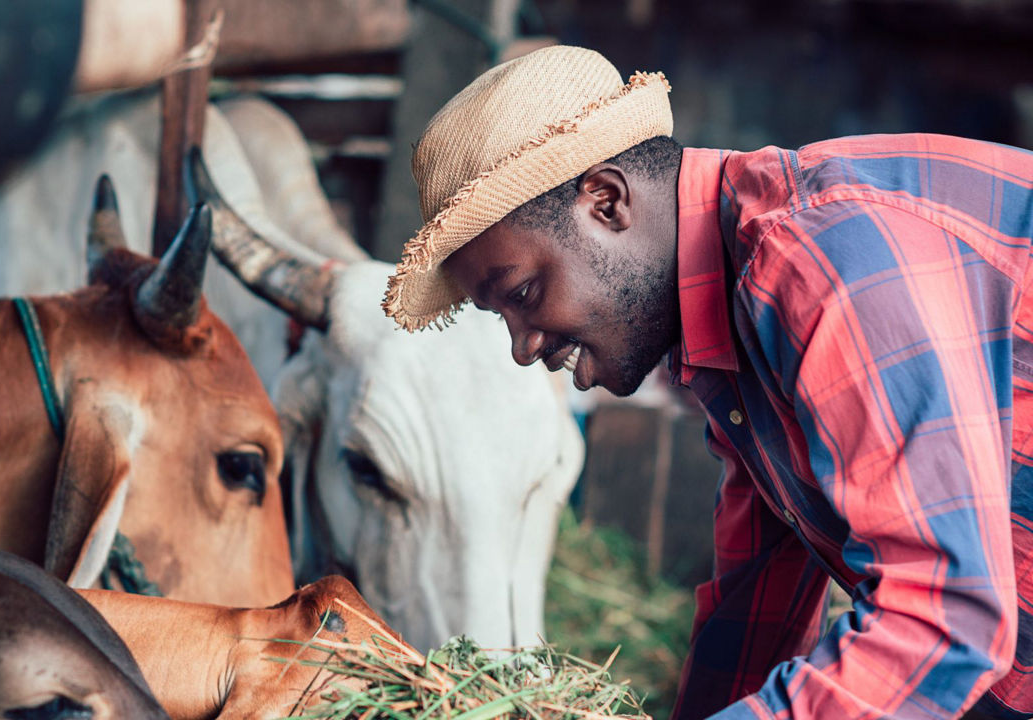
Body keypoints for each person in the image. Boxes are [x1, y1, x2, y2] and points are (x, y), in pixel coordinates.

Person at [383, 45, 1033, 720]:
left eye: (522, 292)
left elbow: (944, 621)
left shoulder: (816, 260)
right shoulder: (730, 344)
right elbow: (755, 612)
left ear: (605, 202)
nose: (523, 348)